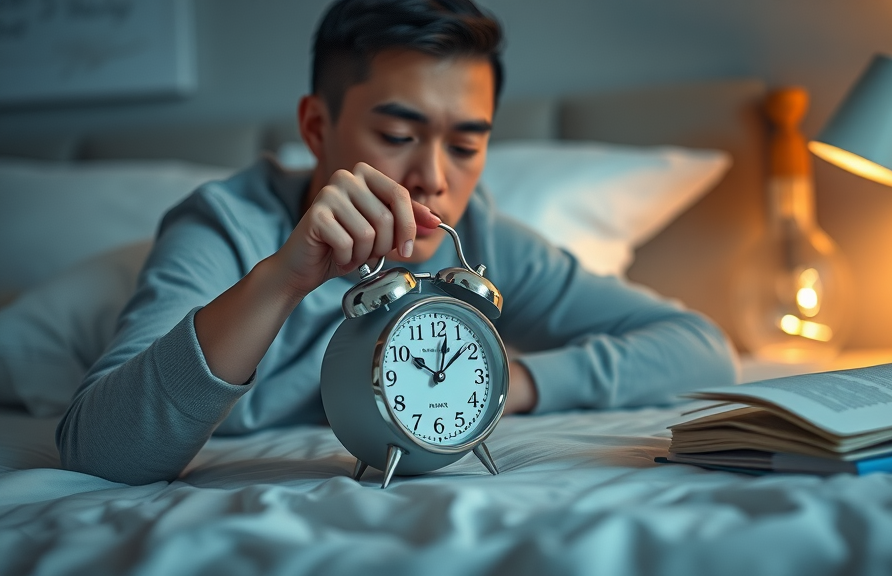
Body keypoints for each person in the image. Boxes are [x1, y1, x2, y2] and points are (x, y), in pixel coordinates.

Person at [56, 0, 738, 485]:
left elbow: (698, 346)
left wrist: (504, 385)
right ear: (317, 127)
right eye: (397, 136)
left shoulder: (479, 240)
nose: (434, 179)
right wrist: (283, 278)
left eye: (467, 144)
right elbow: (99, 451)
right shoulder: (224, 228)